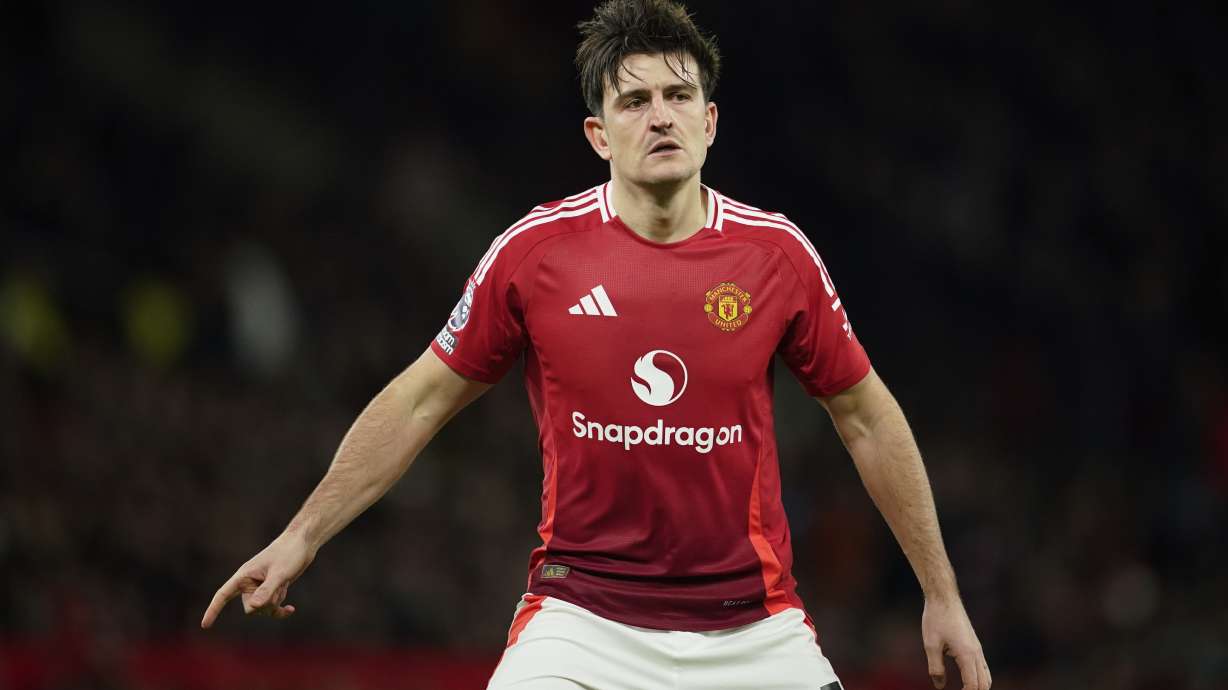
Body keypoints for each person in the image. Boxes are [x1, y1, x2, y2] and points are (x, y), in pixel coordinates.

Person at [202, 1, 991, 688]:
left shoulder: (776, 256)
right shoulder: (535, 254)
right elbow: (418, 401)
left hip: (754, 628)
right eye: (636, 100)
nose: (662, 116)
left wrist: (942, 593)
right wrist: (302, 532)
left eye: (681, 96)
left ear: (710, 123)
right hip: (582, 624)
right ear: (597, 133)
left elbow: (866, 417)